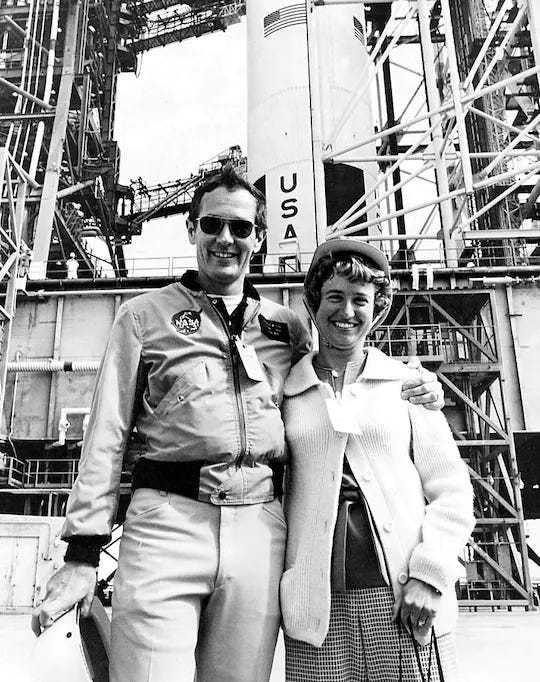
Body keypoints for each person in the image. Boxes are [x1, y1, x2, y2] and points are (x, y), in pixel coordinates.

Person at [32, 168, 444, 682]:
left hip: (260, 529)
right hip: (167, 523)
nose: (227, 238)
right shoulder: (141, 317)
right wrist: (82, 552)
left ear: (259, 238)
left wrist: (416, 382)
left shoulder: (286, 327)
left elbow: (341, 375)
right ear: (191, 229)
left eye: (242, 228)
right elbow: (106, 437)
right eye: (213, 224)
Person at [280, 238, 475, 682]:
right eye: (334, 296)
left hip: (403, 599)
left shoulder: (406, 385)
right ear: (313, 301)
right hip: (316, 611)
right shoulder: (287, 392)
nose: (346, 311)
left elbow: (452, 490)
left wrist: (430, 574)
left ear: (378, 307)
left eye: (360, 300)